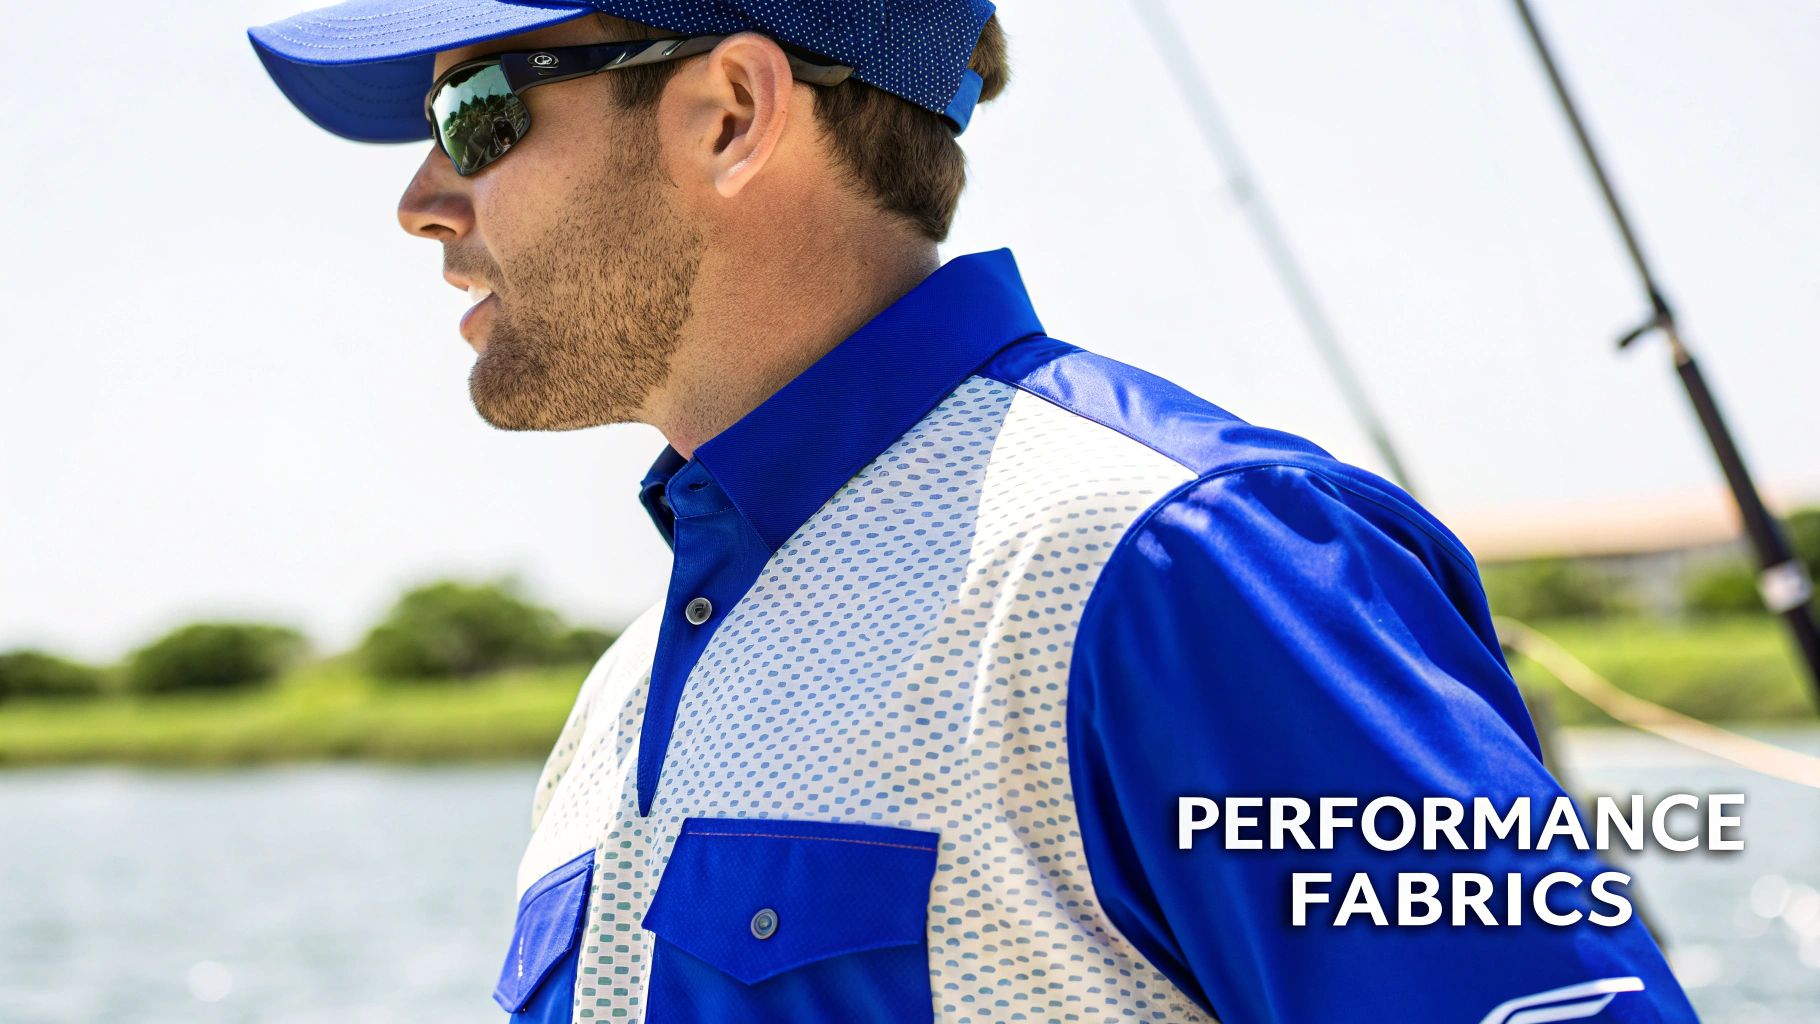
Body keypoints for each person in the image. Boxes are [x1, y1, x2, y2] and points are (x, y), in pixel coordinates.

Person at [246, 2, 1701, 1021]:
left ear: (733, 113)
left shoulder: (1186, 566)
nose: (424, 197)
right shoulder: (625, 697)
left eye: (476, 111)